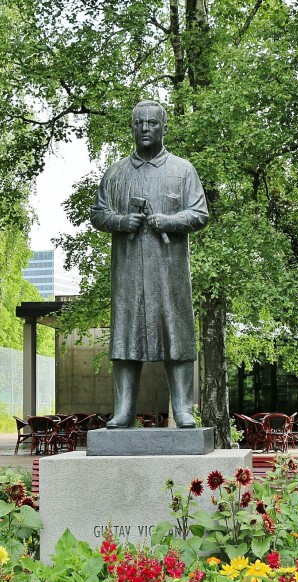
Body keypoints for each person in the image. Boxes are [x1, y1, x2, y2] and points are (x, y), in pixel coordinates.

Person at [90, 100, 209, 428]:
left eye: (152, 123)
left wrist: (168, 221)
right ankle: (124, 410)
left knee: (178, 336)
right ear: (131, 128)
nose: (145, 128)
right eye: (139, 123)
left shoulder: (183, 171)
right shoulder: (115, 173)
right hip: (128, 273)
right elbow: (98, 214)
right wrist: (121, 221)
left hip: (170, 274)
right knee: (126, 338)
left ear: (163, 127)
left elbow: (200, 213)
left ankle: (183, 408)